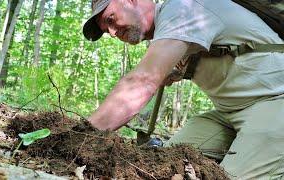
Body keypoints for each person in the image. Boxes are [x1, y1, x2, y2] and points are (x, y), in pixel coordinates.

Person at [82, 0, 284, 179]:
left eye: (110, 19)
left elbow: (142, 82)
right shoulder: (168, 32)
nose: (112, 32)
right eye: (106, 30)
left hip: (276, 103)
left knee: (230, 176)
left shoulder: (183, 8)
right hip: (229, 114)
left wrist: (81, 135)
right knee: (164, 161)